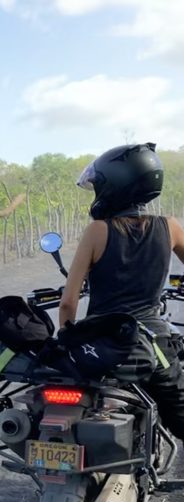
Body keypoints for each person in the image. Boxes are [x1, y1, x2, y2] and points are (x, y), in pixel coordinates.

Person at [58, 142, 184, 438]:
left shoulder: (97, 231)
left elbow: (67, 304)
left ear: (115, 185)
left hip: (102, 344)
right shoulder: (170, 227)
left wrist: (68, 340)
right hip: (153, 345)